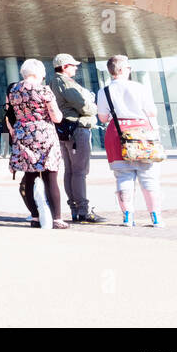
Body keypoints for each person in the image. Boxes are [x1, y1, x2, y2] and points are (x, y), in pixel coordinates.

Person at [96, 55, 164, 227]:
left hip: (117, 132)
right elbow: (152, 112)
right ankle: (155, 216)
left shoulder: (104, 91)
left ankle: (128, 216)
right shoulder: (139, 87)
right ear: (123, 69)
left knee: (123, 176)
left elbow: (103, 118)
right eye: (128, 68)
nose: (130, 71)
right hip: (142, 133)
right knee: (148, 176)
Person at [6, 59, 68, 229]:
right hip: (44, 135)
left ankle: (35, 217)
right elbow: (56, 117)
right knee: (50, 177)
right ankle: (57, 219)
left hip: (23, 134)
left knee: (30, 177)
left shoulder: (13, 91)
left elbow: (10, 113)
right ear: (38, 73)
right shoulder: (44, 90)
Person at [50, 53, 105, 224]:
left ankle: (75, 209)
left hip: (66, 130)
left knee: (70, 170)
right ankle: (83, 210)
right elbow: (84, 106)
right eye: (73, 65)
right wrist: (94, 107)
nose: (76, 68)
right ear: (64, 67)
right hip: (77, 128)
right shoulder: (64, 82)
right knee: (80, 171)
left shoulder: (54, 82)